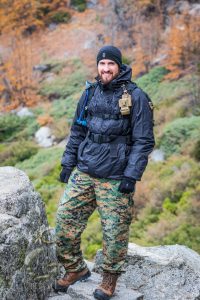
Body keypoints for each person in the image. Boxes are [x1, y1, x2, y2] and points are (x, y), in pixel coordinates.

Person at [53, 45, 155, 300]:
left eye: (111, 64)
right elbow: (77, 131)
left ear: (119, 67)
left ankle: (109, 281)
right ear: (97, 66)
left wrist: (131, 176)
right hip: (85, 170)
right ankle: (75, 269)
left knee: (114, 232)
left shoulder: (136, 96)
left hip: (116, 177)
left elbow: (144, 141)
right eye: (102, 64)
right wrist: (68, 163)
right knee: (65, 221)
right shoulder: (89, 93)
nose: (106, 68)